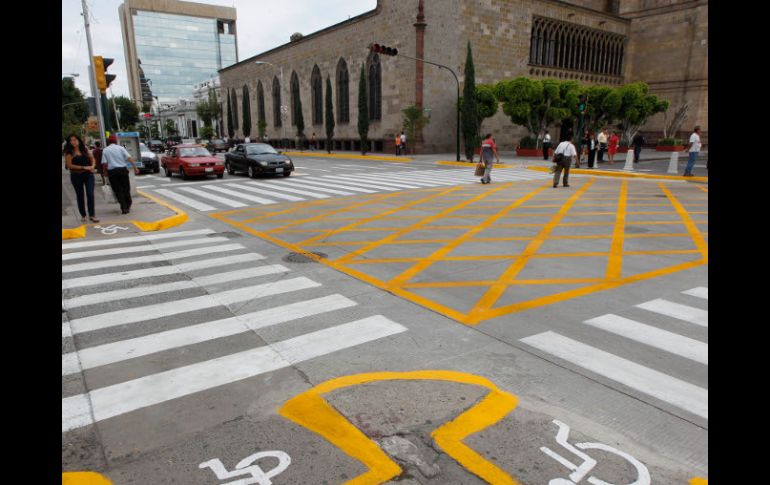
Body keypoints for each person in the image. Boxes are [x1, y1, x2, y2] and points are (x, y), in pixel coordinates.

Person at [63, 134, 100, 223]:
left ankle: (92, 215)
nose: (73, 142)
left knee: (90, 194)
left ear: (79, 140)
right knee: (80, 195)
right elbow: (69, 165)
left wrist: (93, 166)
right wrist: (83, 167)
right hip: (76, 176)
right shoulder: (69, 152)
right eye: (71, 140)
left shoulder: (85, 150)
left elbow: (92, 159)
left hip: (88, 175)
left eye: (75, 140)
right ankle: (83, 214)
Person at [102, 134, 139, 214]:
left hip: (112, 172)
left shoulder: (105, 150)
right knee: (126, 188)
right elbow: (129, 158)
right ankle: (128, 203)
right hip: (122, 171)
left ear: (109, 141)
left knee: (117, 190)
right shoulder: (121, 148)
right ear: (116, 141)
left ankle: (124, 207)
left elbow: (104, 163)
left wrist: (105, 172)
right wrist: (135, 168)